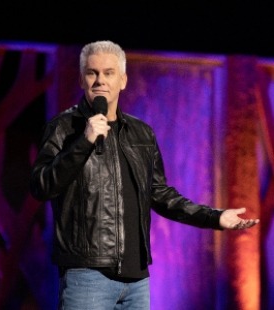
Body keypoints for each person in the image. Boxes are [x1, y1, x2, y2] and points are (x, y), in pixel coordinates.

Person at [29, 40, 260, 310]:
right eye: (92, 73)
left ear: (123, 80)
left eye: (108, 72)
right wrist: (84, 142)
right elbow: (41, 185)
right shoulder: (63, 128)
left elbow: (161, 194)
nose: (99, 80)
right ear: (82, 79)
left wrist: (215, 217)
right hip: (87, 276)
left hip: (136, 280)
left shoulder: (141, 134)